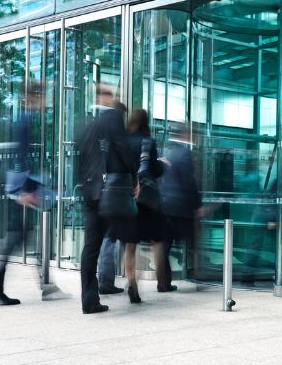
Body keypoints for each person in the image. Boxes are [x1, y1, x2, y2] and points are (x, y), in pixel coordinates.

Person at [76, 84, 137, 314]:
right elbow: (122, 148)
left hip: (90, 190)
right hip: (107, 191)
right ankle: (127, 279)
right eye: (110, 95)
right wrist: (134, 177)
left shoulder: (84, 124)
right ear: (106, 97)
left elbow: (82, 158)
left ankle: (90, 299)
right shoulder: (112, 117)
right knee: (125, 232)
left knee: (91, 246)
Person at [0, 83, 44, 306]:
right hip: (20, 189)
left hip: (22, 187)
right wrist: (23, 191)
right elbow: (20, 157)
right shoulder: (24, 122)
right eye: (40, 97)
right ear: (29, 99)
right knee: (16, 238)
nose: (43, 102)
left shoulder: (25, 120)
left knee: (22, 236)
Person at [121, 109, 165, 303]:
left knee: (130, 245)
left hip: (128, 197)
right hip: (147, 200)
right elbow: (154, 170)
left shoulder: (123, 142)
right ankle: (162, 280)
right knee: (157, 241)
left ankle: (133, 284)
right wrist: (163, 164)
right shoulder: (149, 142)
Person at [159, 122, 202, 292]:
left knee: (165, 246)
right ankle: (199, 275)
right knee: (194, 242)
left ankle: (163, 283)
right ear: (186, 135)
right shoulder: (185, 154)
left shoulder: (168, 152)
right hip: (181, 207)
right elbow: (188, 182)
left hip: (166, 206)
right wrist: (197, 205)